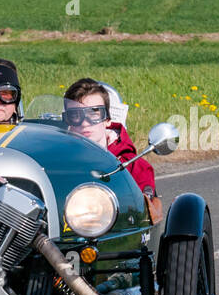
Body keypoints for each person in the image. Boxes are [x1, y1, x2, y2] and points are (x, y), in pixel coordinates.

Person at [63, 77, 163, 222]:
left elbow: (143, 217)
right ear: (67, 121)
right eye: (75, 115)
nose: (84, 122)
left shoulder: (134, 165)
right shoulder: (58, 161)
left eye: (94, 113)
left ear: (107, 120)